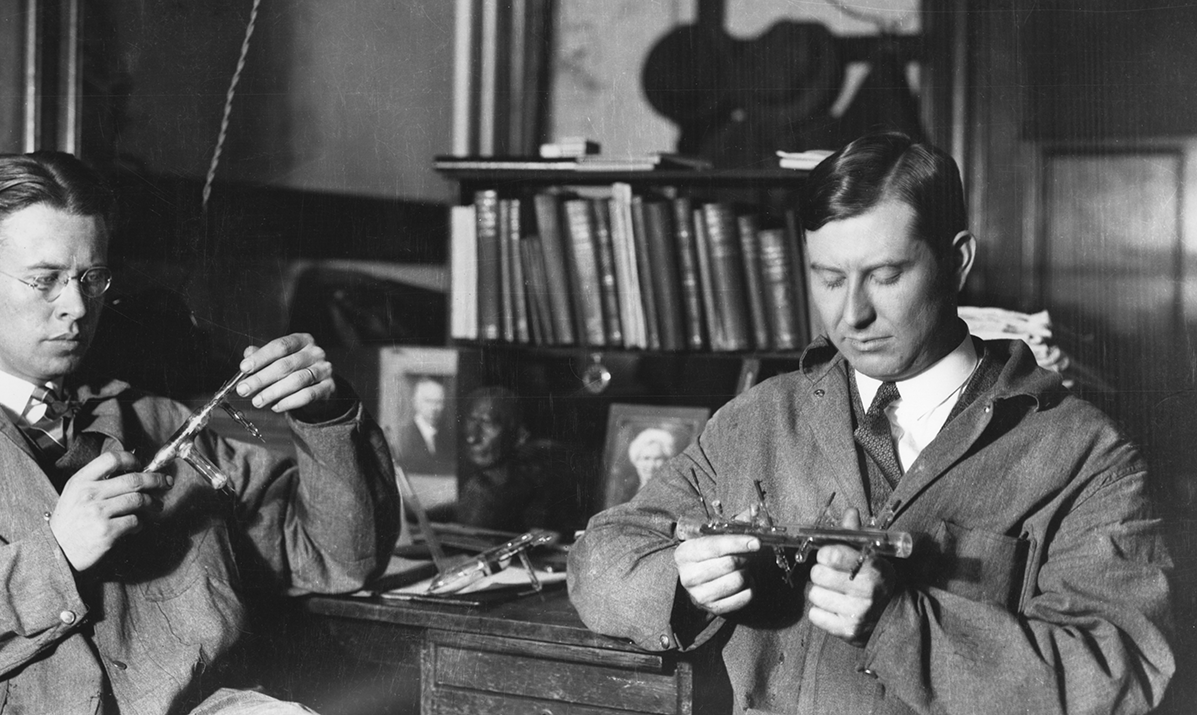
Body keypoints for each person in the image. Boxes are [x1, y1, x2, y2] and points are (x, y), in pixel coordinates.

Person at [569, 132, 1174, 714]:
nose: (852, 314)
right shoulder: (757, 419)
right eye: (829, 279)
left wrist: (897, 622)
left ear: (957, 260)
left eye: (885, 276)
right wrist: (682, 581)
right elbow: (600, 560)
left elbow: (1121, 674)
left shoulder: (1085, 455)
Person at [0, 151, 399, 714]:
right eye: (45, 279)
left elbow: (337, 562)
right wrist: (54, 561)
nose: (77, 307)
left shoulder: (154, 423)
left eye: (91, 278)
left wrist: (326, 415)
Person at [428, 386, 586, 536]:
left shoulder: (529, 490)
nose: (472, 437)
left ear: (520, 435)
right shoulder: (478, 487)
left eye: (486, 423)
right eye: (471, 421)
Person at [392, 375, 455, 474]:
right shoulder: (403, 436)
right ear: (416, 402)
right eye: (428, 401)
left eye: (439, 402)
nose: (434, 408)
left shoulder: (448, 437)